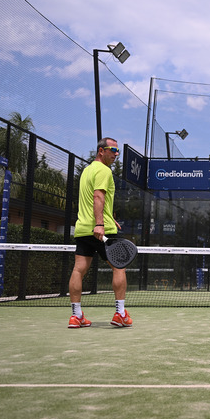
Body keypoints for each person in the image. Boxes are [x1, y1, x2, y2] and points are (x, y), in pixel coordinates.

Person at [67, 137, 131, 329]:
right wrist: (100, 224)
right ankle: (120, 314)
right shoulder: (104, 170)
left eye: (118, 151)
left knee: (78, 269)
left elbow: (91, 200)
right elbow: (97, 196)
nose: (116, 154)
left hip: (83, 229)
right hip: (101, 230)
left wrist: (108, 217)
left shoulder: (87, 171)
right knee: (119, 267)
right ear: (101, 151)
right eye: (113, 150)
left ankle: (76, 316)